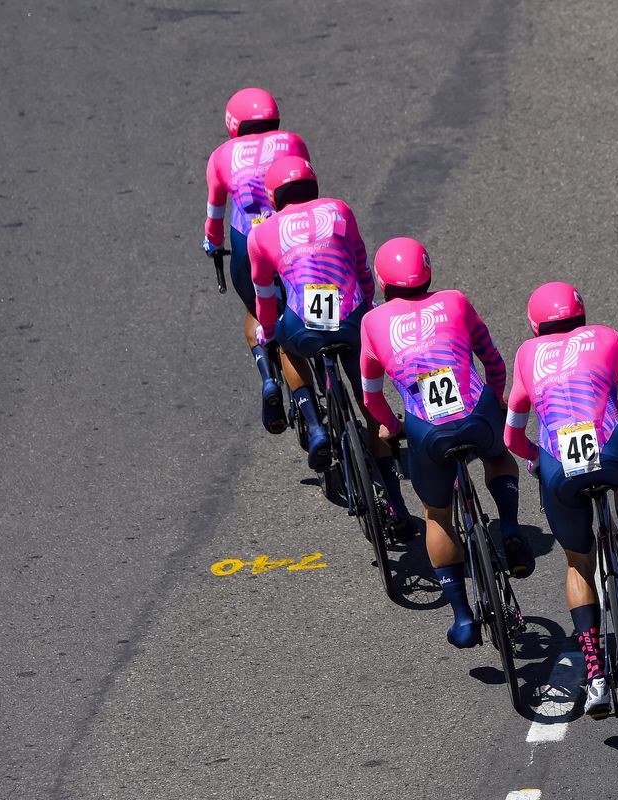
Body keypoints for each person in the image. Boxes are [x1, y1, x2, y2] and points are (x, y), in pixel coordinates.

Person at [504, 281, 618, 719]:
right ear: (580, 314)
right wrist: (615, 406)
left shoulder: (527, 354)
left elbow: (512, 435)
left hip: (558, 466)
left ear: (535, 324)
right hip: (610, 448)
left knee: (579, 562)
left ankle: (595, 674)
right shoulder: (606, 336)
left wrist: (534, 460)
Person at [359, 237, 535, 647]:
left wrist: (392, 425)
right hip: (477, 414)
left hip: (426, 430)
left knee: (436, 513)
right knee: (499, 460)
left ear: (384, 282)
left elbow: (370, 396)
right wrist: (496, 396)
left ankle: (462, 617)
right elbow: (492, 359)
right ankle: (508, 525)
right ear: (427, 271)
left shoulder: (373, 322)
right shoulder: (454, 301)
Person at [247, 157, 411, 530]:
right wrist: (368, 304)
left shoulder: (261, 234)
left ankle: (314, 424)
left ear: (274, 196)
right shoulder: (339, 210)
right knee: (369, 402)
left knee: (287, 348)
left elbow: (264, 300)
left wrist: (269, 334)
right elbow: (360, 264)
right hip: (351, 318)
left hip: (303, 324)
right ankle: (398, 506)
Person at [203, 87, 316, 434]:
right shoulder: (293, 142)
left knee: (260, 313)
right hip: (294, 238)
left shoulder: (222, 156)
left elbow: (214, 220)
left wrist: (212, 245)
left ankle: (269, 378)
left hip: (247, 241)